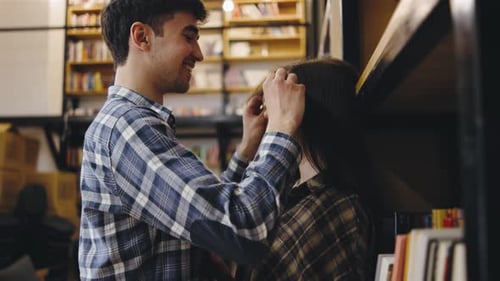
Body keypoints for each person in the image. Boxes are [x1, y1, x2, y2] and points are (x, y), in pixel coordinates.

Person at [78, 0, 306, 280]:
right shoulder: (127, 128)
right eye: (188, 37)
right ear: (141, 37)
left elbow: (203, 218)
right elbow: (245, 231)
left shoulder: (132, 124)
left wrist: (247, 149)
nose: (199, 54)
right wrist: (282, 128)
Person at [234, 57, 378, 281]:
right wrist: (247, 148)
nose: (268, 117)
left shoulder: (336, 206)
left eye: (277, 106)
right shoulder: (296, 194)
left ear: (302, 114)